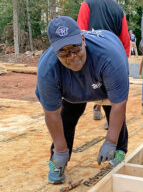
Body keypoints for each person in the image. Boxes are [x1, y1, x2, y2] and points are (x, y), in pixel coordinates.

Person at [35, 16, 129, 184]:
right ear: (54, 50)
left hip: (104, 86)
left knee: (112, 111)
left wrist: (110, 141)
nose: (71, 56)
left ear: (83, 39)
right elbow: (52, 113)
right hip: (71, 90)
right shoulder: (47, 70)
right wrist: (61, 150)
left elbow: (119, 104)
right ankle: (58, 160)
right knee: (67, 118)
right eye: (63, 51)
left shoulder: (109, 57)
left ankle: (118, 149)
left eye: (75, 47)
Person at [77, 0, 130, 129]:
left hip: (91, 56)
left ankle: (96, 108)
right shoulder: (118, 10)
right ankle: (111, 120)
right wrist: (123, 62)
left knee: (93, 85)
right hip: (112, 58)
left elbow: (81, 30)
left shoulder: (87, 3)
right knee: (112, 90)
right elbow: (124, 39)